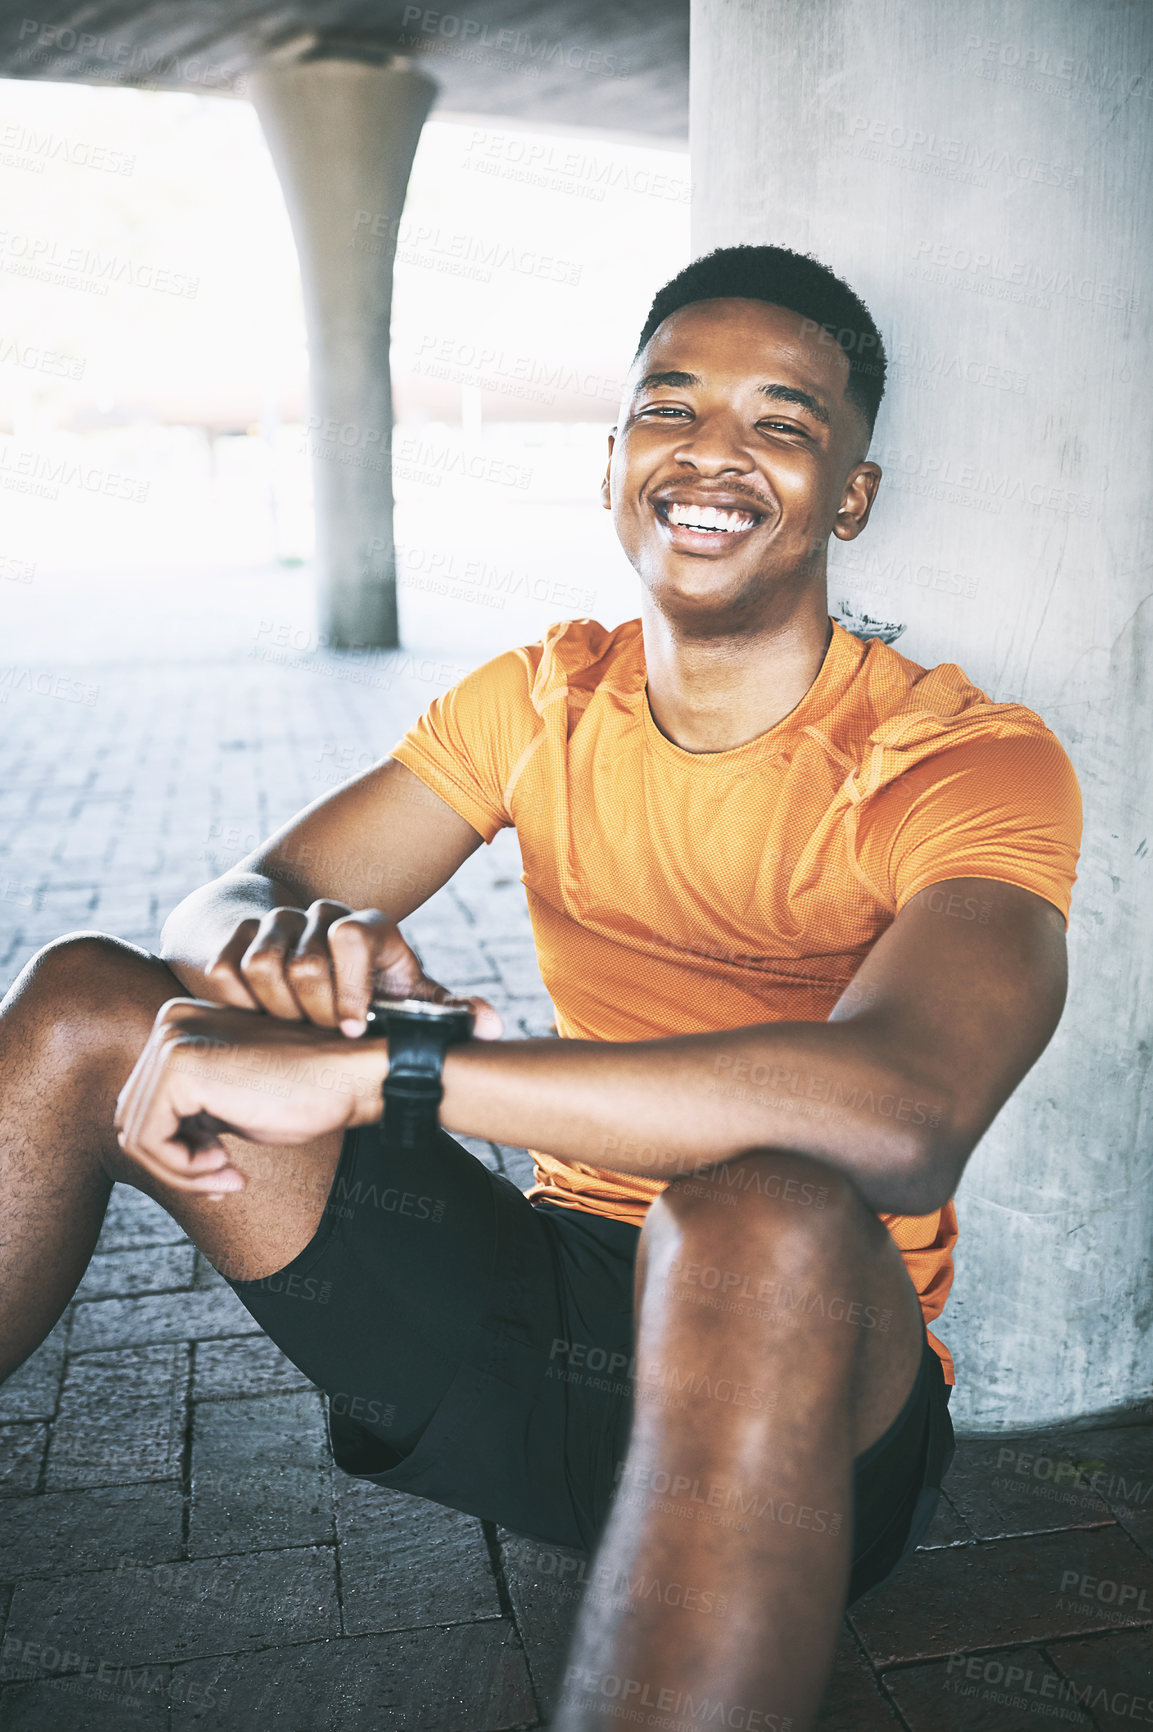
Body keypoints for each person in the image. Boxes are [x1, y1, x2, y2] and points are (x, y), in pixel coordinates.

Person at [0, 244, 1081, 1731]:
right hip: (533, 1326)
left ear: (849, 495)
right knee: (81, 1001)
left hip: (805, 1384)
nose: (711, 453)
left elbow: (905, 1115)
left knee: (750, 1208)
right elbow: (229, 897)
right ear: (614, 459)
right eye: (668, 407)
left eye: (781, 421)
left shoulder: (957, 759)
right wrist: (280, 946)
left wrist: (395, 1069)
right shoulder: (540, 698)